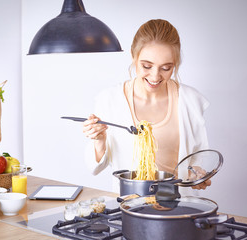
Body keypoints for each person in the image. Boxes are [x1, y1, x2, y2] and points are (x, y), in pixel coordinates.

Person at [82, 19, 211, 194]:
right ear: (133, 57)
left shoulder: (190, 100)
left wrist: (196, 175)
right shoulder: (109, 99)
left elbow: (195, 161)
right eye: (146, 66)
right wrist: (99, 141)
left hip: (178, 208)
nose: (155, 76)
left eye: (166, 68)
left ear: (176, 63)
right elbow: (94, 168)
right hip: (129, 206)